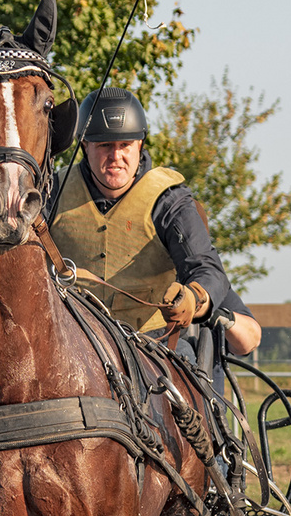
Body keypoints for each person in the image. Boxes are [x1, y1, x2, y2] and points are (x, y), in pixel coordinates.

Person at [48, 87, 262, 375]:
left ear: (140, 145)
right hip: (68, 346)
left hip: (155, 347)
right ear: (85, 145)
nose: (116, 156)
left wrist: (194, 298)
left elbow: (206, 269)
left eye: (125, 145)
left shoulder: (169, 201)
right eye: (104, 146)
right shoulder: (51, 192)